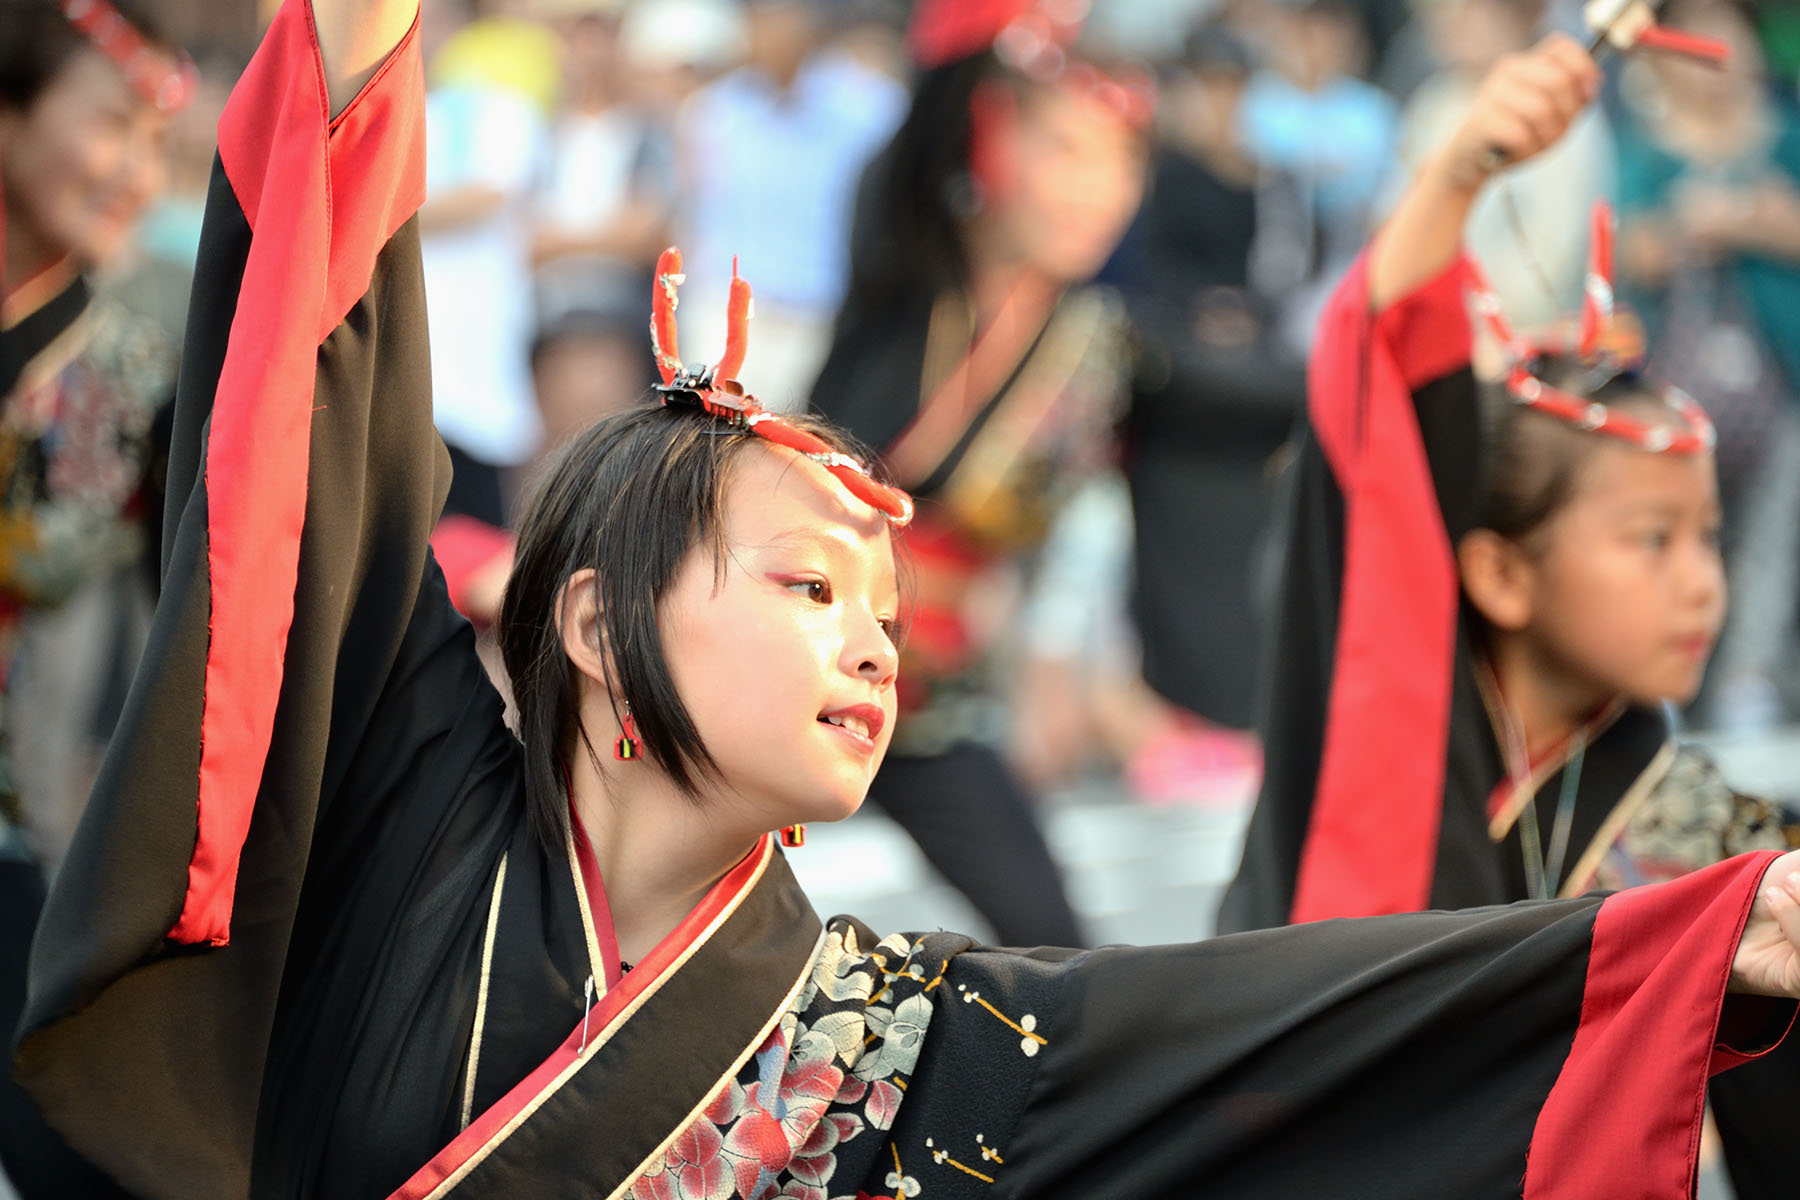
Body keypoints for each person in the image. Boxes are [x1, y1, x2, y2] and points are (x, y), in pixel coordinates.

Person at [15, 7, 1800, 1198]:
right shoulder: (408, 808)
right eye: (805, 584)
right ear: (585, 625)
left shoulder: (917, 1039)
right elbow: (315, 430)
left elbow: (1273, 1025)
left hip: (975, 729)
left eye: (868, 593)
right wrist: (359, 53)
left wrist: (1679, 946)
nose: (862, 627)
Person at [1213, 21, 1800, 1200]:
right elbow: (1379, 371)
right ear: (1498, 573)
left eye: (1707, 540)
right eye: (1650, 540)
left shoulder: (1710, 839)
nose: (1703, 583)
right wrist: (1463, 169)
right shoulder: (1383, 724)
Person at [809, 0, 1156, 947]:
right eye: (1066, 154)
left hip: (922, 704)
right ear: (989, 144)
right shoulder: (908, 273)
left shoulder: (1097, 339)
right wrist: (993, 35)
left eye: (1121, 161)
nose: (1100, 191)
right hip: (781, 669)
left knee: (1061, 952)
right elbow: (926, 141)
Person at [0, 1, 193, 1194]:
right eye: (110, 125)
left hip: (44, 845)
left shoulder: (145, 339)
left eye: (153, 142)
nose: (133, 171)